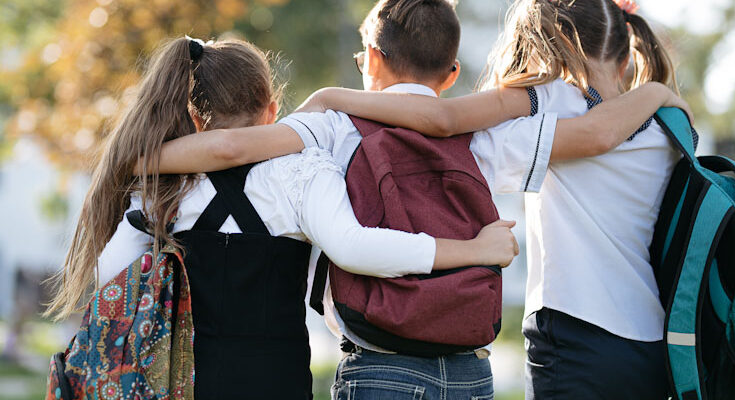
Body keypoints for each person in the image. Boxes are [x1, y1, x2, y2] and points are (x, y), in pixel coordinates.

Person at [44, 37, 523, 400]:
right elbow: (357, 249)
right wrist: (474, 250)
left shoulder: (161, 187)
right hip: (278, 380)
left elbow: (111, 279)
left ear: (192, 119)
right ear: (273, 110)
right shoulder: (302, 172)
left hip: (185, 381)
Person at [294, 0, 688, 398]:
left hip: (572, 329)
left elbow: (444, 121)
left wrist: (333, 98)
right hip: (650, 340)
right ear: (625, 60)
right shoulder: (663, 129)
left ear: (551, 48)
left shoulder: (550, 100)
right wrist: (655, 91)